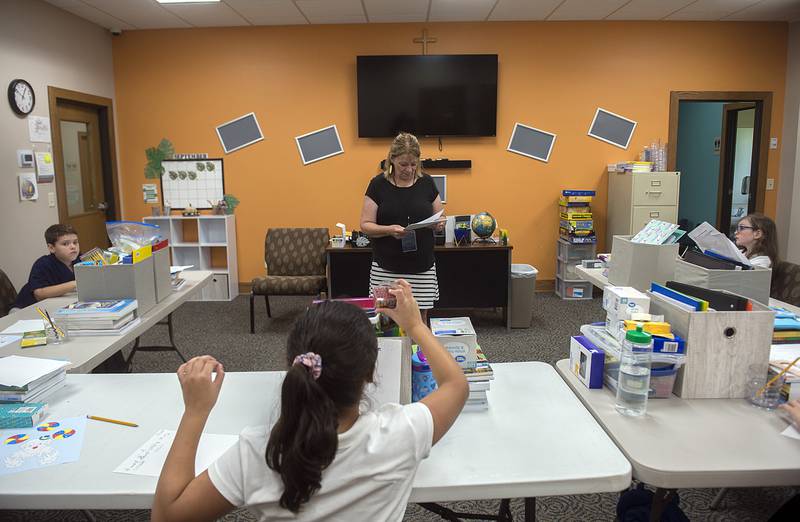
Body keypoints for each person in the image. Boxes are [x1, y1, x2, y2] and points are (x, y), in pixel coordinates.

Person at [151, 279, 468, 521]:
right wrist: (414, 325)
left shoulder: (260, 451)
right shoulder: (401, 434)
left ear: (293, 364)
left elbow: (167, 516)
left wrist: (195, 410)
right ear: (370, 373)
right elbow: (456, 384)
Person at [360, 132, 444, 323]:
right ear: (392, 159)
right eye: (403, 164)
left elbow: (440, 215)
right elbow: (365, 225)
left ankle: (419, 355)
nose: (409, 169)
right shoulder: (377, 185)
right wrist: (388, 230)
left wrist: (438, 224)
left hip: (422, 268)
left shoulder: (427, 183)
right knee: (385, 320)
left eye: (414, 164)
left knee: (419, 322)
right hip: (386, 268)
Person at [13, 224, 80, 309]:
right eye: (65, 244)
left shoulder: (79, 260)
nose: (73, 247)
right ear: (51, 248)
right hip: (25, 308)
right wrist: (74, 284)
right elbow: (39, 294)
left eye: (75, 242)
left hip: (54, 306)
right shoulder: (43, 264)